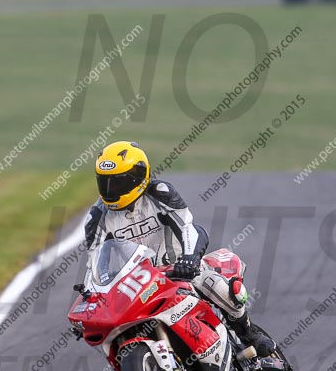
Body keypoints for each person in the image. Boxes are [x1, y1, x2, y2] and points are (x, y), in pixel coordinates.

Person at [84, 140, 276, 357]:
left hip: (179, 269)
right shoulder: (98, 217)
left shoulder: (159, 193)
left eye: (117, 183)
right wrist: (91, 299)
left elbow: (188, 227)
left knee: (222, 289)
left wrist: (190, 259)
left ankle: (248, 333)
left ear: (137, 177)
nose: (110, 190)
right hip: (140, 285)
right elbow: (93, 263)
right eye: (105, 182)